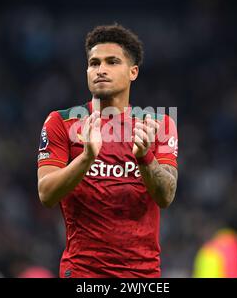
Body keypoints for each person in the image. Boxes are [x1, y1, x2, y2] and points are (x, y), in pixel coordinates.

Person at [36, 24, 178, 278]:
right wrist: (87, 157)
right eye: (94, 63)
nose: (100, 70)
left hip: (142, 276)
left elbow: (166, 195)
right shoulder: (61, 122)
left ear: (133, 72)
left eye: (112, 62)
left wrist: (145, 157)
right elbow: (46, 193)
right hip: (82, 273)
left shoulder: (158, 125)